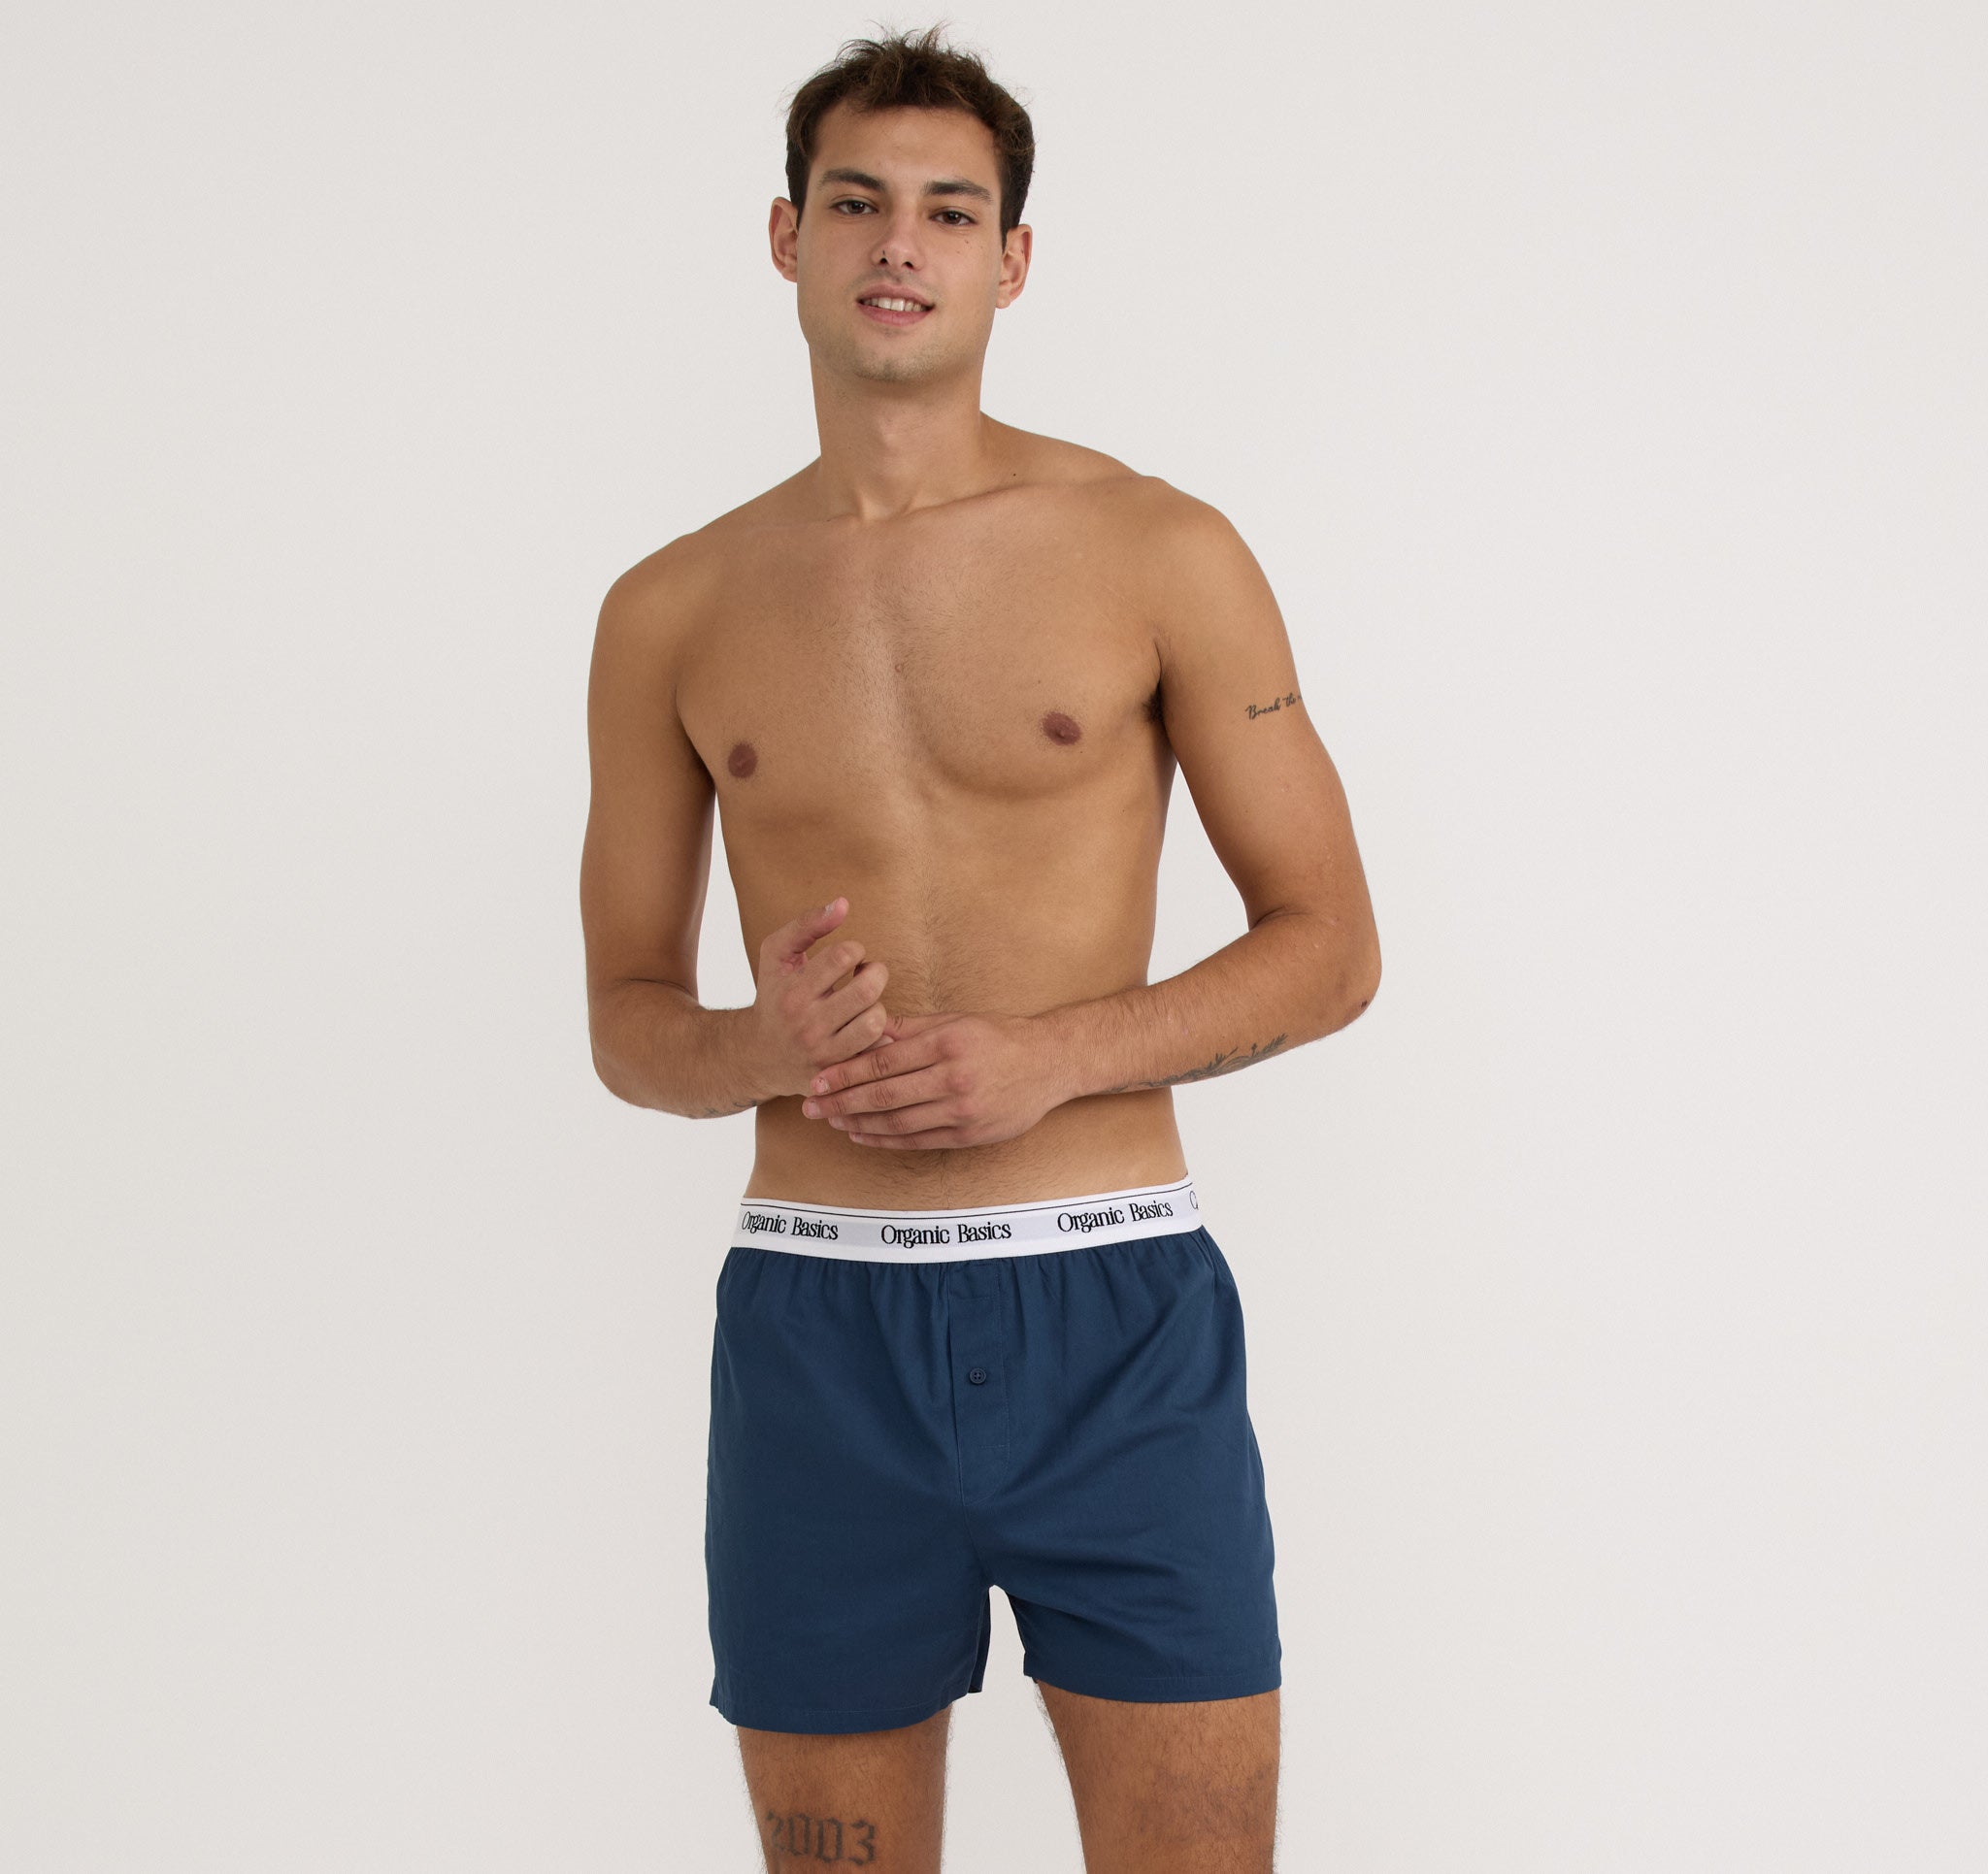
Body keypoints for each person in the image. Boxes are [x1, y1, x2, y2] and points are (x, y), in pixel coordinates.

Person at [580, 25, 1380, 1872]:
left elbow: (1332, 943)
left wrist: (1053, 1056)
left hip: (1114, 1312)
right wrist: (763, 1048)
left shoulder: (1159, 549)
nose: (901, 242)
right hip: (818, 1332)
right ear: (786, 236)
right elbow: (626, 1020)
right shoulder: (669, 609)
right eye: (858, 200)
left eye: (951, 211)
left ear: (1011, 260)